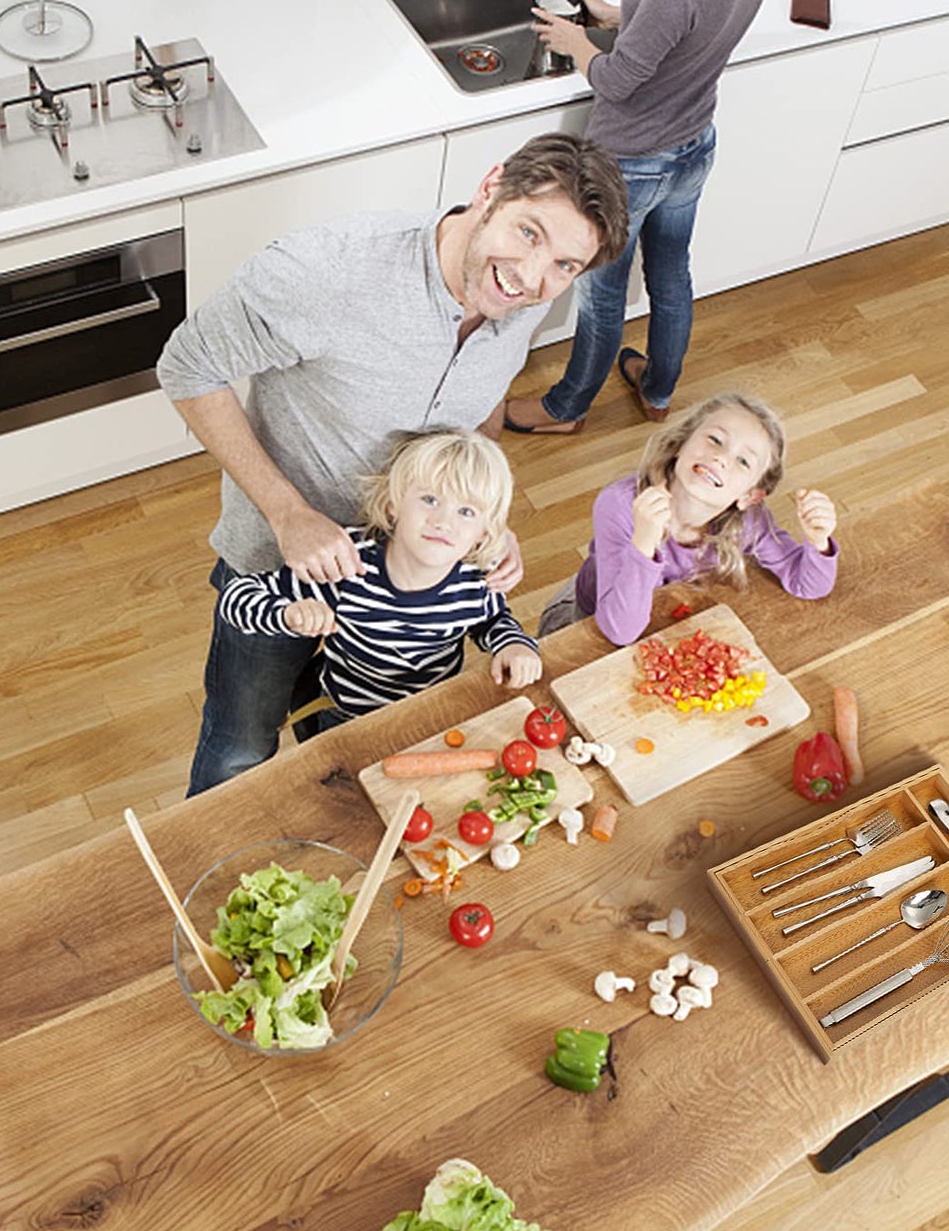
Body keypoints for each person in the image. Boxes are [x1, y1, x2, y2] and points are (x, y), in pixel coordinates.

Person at [157, 133, 629, 795]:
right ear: (488, 188)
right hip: (283, 559)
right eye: (527, 232)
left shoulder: (524, 299)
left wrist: (483, 516)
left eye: (564, 264)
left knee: (338, 738)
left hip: (417, 575)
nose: (531, 276)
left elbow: (484, 402)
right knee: (240, 746)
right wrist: (289, 513)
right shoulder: (328, 271)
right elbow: (184, 366)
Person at [504, 0, 815, 435]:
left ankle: (566, 408)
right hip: (694, 145)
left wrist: (574, 41)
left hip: (631, 164)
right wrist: (621, 15)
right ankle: (660, 389)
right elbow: (686, 27)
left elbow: (619, 80)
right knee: (671, 273)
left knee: (600, 293)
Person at [216, 430, 540, 734]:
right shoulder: (348, 564)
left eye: (466, 512)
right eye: (429, 499)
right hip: (344, 717)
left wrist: (513, 644)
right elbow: (235, 597)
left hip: (426, 716)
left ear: (484, 533)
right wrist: (287, 615)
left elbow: (492, 620)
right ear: (393, 504)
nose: (443, 522)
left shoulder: (476, 580)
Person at [540, 392, 838, 646]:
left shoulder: (749, 522)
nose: (721, 458)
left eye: (743, 461)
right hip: (587, 623)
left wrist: (818, 541)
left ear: (750, 496)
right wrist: (643, 544)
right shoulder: (620, 504)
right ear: (682, 443)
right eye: (715, 440)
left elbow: (808, 585)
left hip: (662, 626)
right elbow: (619, 630)